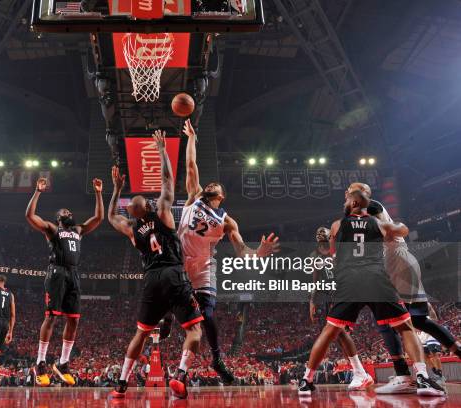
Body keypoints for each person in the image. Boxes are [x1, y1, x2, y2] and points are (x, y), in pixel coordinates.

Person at [298, 190, 445, 397]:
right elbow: (403, 230)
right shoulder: (379, 225)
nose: (345, 201)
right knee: (405, 327)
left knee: (329, 331)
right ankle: (422, 377)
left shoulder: (337, 225)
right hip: (376, 279)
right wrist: (392, 223)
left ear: (356, 202)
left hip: (350, 282)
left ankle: (306, 380)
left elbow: (334, 254)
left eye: (347, 199)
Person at [172, 118, 278, 384]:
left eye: (216, 186)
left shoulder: (228, 221)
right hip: (180, 260)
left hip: (204, 266)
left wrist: (260, 253)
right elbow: (190, 165)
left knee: (207, 314)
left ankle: (217, 358)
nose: (210, 185)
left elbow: (243, 252)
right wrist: (192, 140)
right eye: (210, 184)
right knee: (170, 302)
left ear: (221, 195)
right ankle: (165, 321)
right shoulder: (195, 195)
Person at [107, 130, 204, 399]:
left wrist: (116, 190)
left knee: (141, 334)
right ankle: (181, 375)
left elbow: (110, 216)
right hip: (173, 273)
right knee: (194, 330)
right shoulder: (162, 211)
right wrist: (162, 150)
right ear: (149, 206)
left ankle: (122, 383)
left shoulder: (131, 228)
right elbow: (167, 180)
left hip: (150, 279)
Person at [346, 182, 461, 394]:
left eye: (353, 190)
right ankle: (448, 356)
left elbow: (389, 230)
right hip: (397, 264)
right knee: (417, 320)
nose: (348, 193)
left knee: (387, 322)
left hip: (395, 265)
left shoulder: (369, 207)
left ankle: (404, 376)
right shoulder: (359, 215)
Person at [26, 176, 104, 386]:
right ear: (58, 218)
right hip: (57, 273)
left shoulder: (77, 230)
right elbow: (30, 215)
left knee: (74, 319)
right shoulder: (52, 229)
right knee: (51, 317)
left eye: (69, 212)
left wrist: (98, 192)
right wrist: (38, 191)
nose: (68, 213)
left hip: (73, 274)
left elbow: (98, 218)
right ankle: (40, 362)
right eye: (64, 212)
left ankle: (62, 363)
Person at [308, 226, 373, 390]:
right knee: (340, 335)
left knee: (339, 332)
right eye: (319, 233)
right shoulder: (315, 257)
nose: (321, 235)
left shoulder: (339, 251)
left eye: (325, 233)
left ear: (330, 237)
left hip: (343, 294)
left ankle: (360, 373)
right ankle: (359, 373)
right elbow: (315, 281)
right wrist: (312, 301)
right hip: (330, 298)